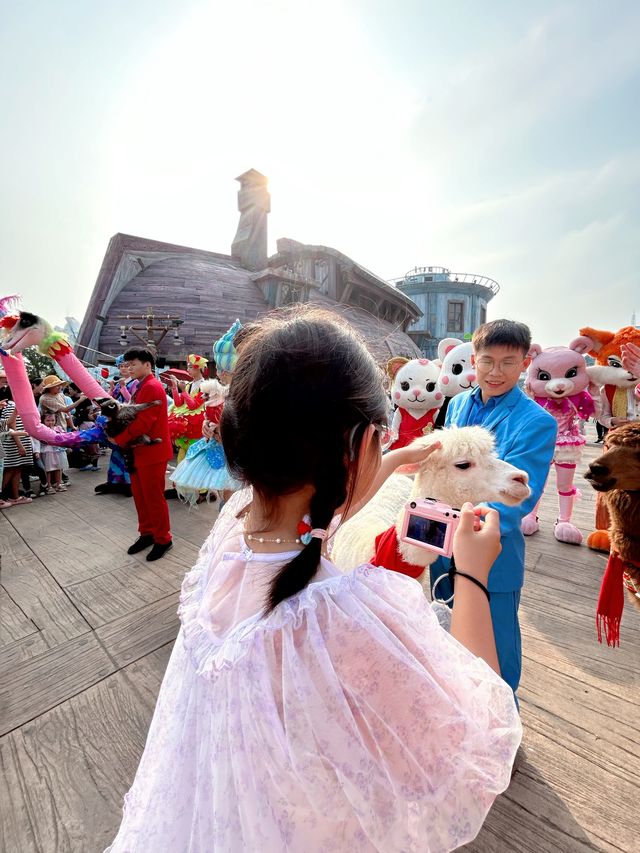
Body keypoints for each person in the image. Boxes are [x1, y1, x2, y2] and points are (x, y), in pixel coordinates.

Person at [106, 310, 521, 853]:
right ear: (358, 445)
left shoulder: (233, 524)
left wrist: (394, 457)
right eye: (381, 438)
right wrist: (471, 573)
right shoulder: (344, 610)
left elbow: (323, 511)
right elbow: (477, 718)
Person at [430, 319, 557, 698]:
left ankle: (505, 732)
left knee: (497, 648)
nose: (496, 372)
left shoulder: (537, 421)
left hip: (491, 551)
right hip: (441, 546)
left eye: (508, 362)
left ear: (524, 363)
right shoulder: (456, 405)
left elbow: (520, 495)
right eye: (487, 361)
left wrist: (466, 532)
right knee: (446, 634)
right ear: (474, 360)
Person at [112, 348, 173, 562]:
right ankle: (147, 533)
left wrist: (118, 439)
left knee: (153, 497)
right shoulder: (141, 385)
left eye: (133, 364)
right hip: (140, 450)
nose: (129, 368)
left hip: (152, 452)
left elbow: (144, 422)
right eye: (127, 364)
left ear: (148, 364)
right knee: (140, 495)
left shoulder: (152, 386)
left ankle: (163, 539)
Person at [0, 385, 34, 506]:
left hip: (17, 442)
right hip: (13, 444)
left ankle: (15, 497)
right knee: (9, 470)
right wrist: (20, 445)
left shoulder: (14, 405)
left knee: (16, 469)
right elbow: (11, 426)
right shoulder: (11, 406)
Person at [40, 412, 70, 492]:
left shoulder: (58, 428)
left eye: (52, 420)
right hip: (48, 450)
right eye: (48, 420)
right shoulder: (42, 429)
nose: (50, 422)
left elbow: (64, 436)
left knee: (58, 467)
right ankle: (49, 485)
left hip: (58, 450)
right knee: (48, 468)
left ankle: (58, 484)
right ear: (43, 421)